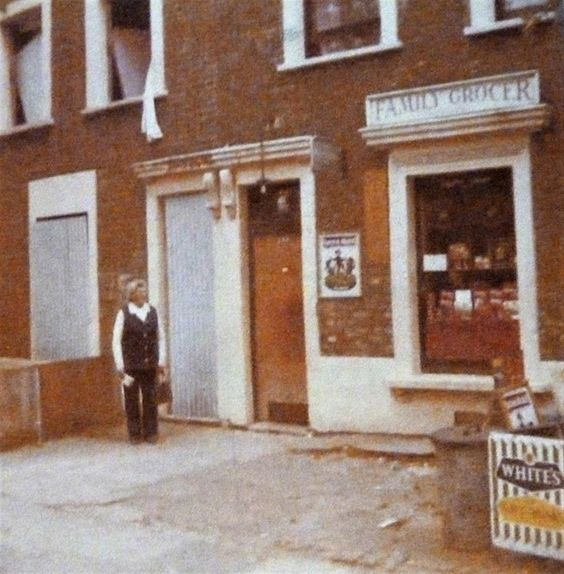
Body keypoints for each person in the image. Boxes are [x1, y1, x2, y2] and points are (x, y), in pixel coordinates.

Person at [112, 279, 166, 444]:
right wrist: (120, 365)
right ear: (132, 294)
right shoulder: (124, 313)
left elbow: (161, 337)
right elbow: (116, 340)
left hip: (150, 364)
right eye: (140, 291)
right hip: (131, 366)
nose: (144, 294)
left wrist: (161, 360)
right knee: (131, 400)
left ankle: (151, 433)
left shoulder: (153, 312)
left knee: (150, 398)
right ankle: (134, 434)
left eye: (144, 291)